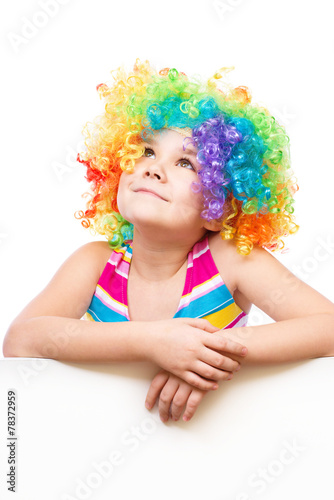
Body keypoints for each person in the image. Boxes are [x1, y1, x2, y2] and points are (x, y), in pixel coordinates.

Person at [3, 59, 334, 424]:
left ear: (218, 206)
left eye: (186, 163)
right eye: (146, 151)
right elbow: (20, 340)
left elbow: (328, 326)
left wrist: (206, 355)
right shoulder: (96, 263)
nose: (152, 167)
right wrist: (154, 342)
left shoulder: (230, 260)